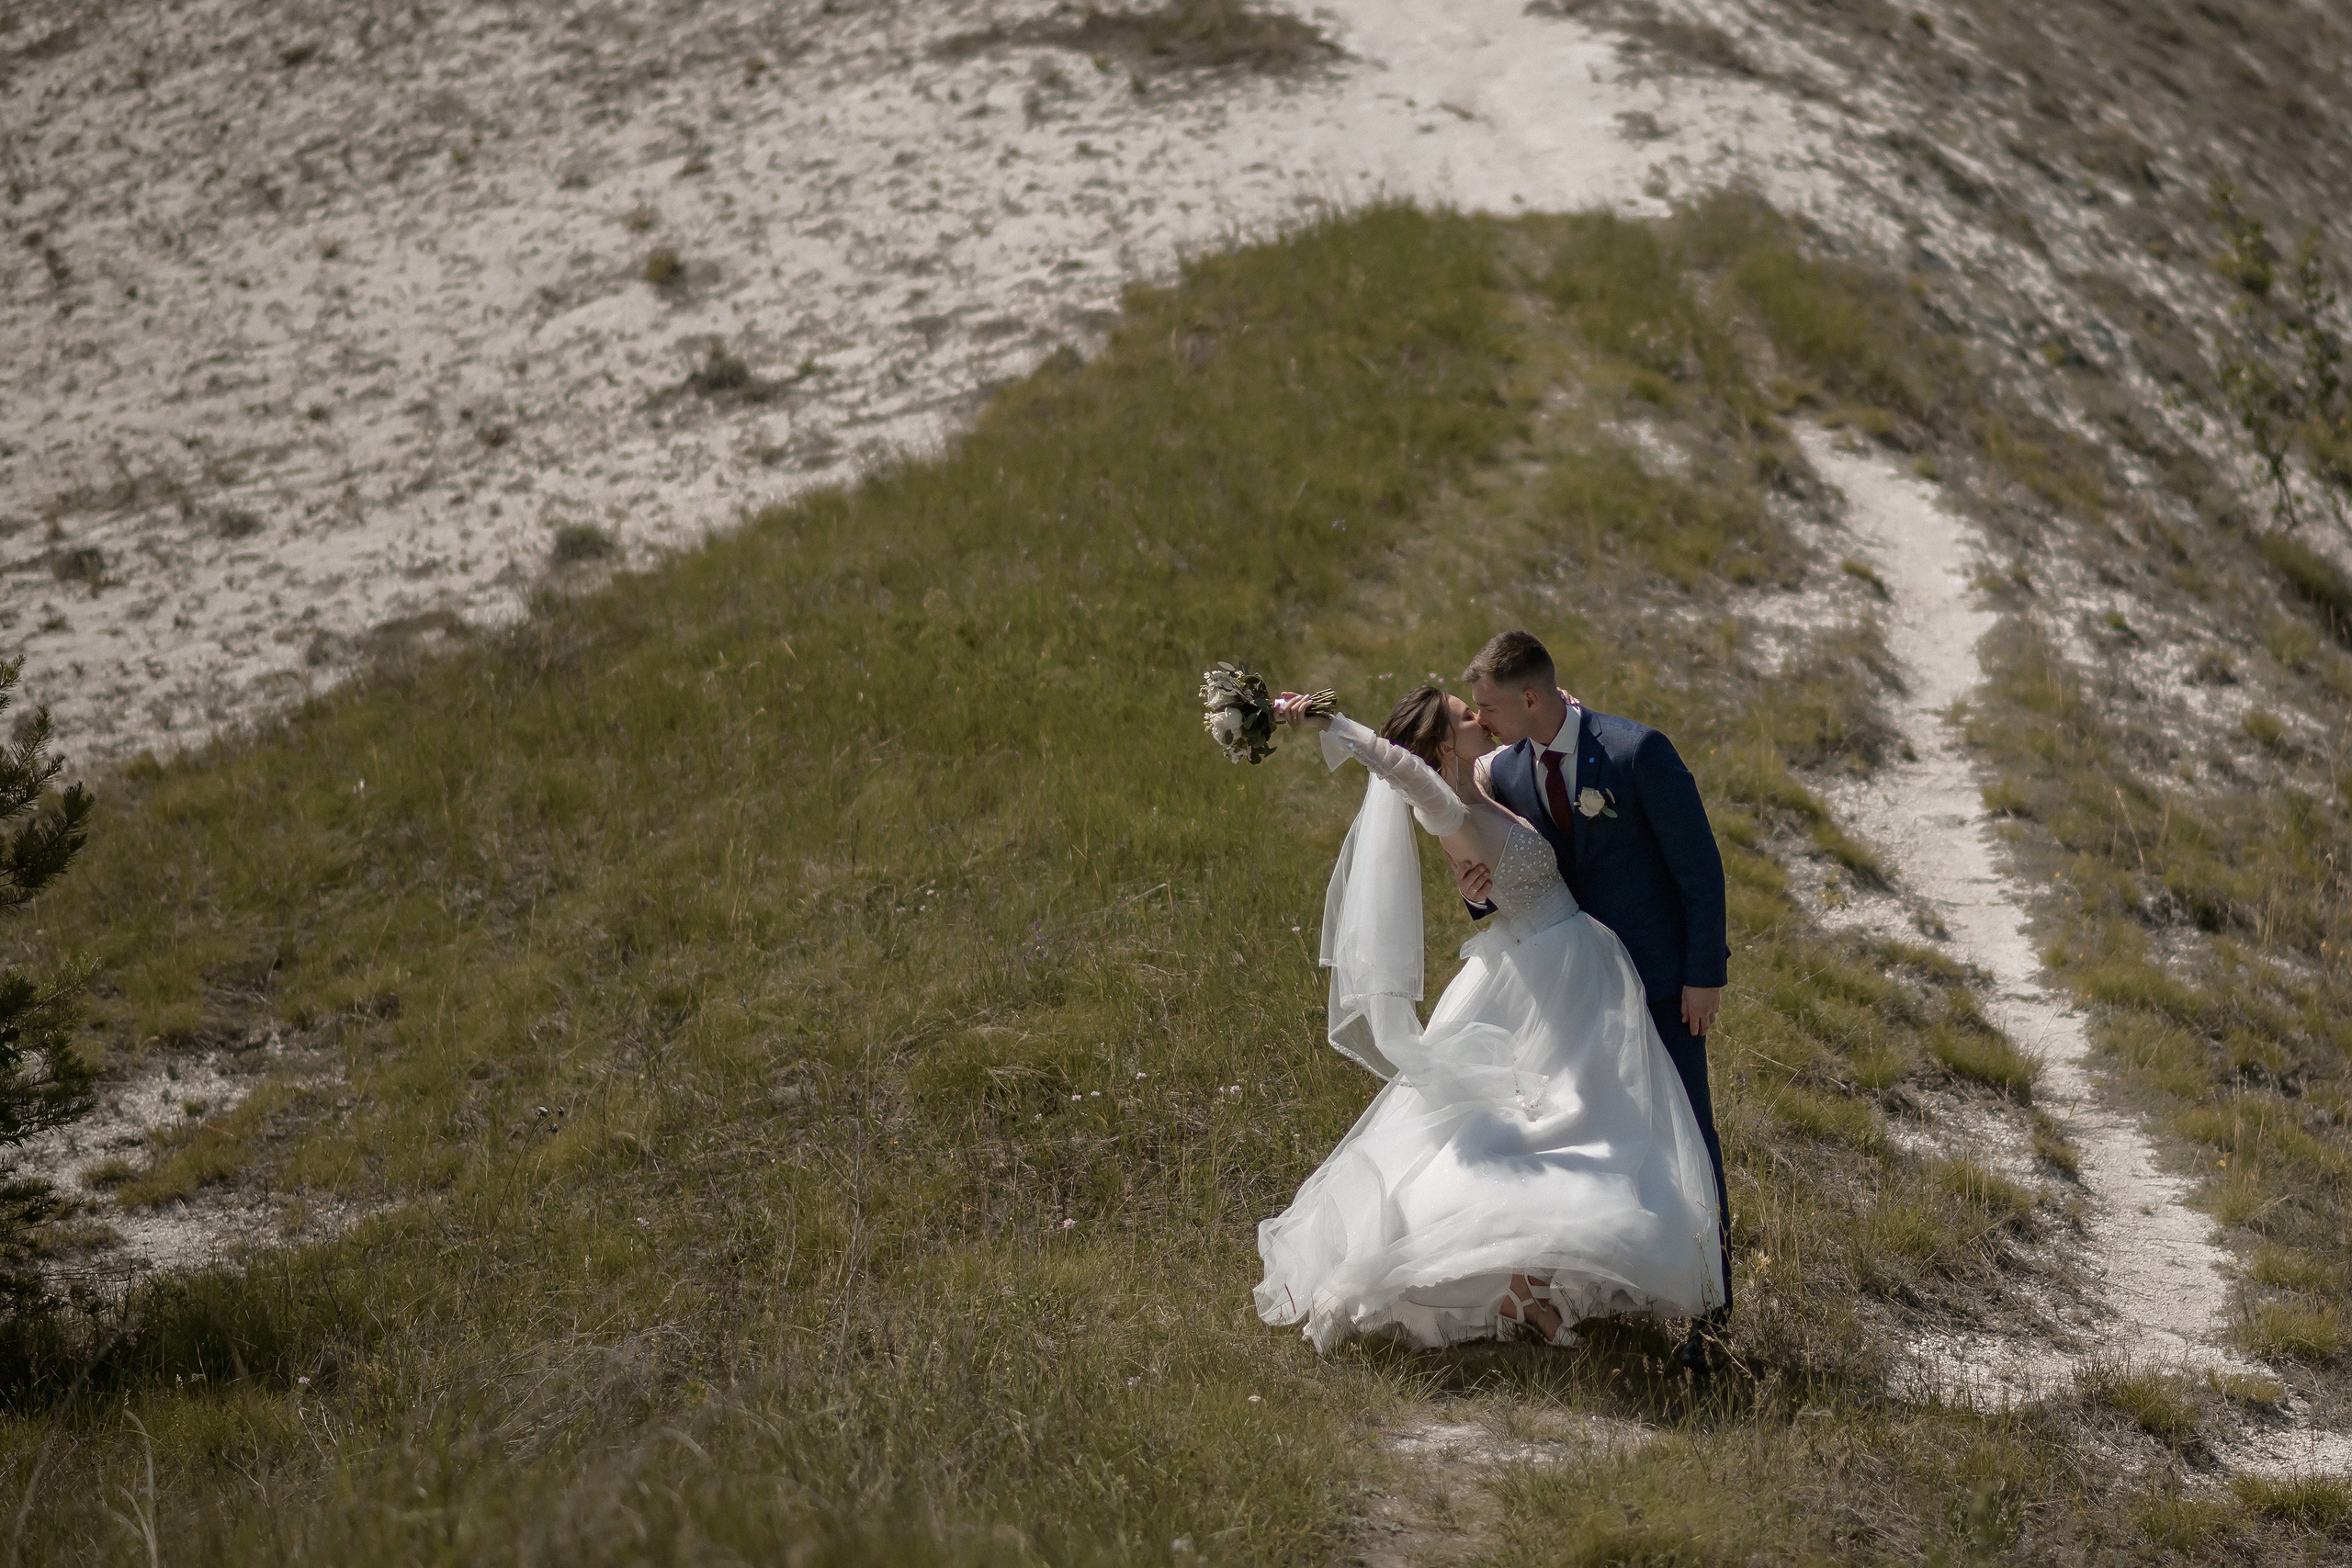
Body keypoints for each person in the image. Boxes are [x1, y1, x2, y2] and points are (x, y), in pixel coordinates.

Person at [1251, 683, 1724, 1353]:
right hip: (1552, 967)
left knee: (1570, 1123)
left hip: (1559, 960)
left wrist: (1562, 711)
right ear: (1443, 744)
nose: (1478, 718)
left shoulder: (1475, 782)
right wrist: (1332, 723)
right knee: (1561, 1129)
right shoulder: (1440, 807)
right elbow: (1403, 768)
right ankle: (1509, 1275)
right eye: (1463, 715)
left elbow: (1523, 761)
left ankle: (1526, 1287)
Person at [1461, 629, 1733, 1371]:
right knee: (1590, 1141)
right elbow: (1525, 878)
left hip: (1660, 983)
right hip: (1571, 994)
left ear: (1530, 697)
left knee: (1688, 1143)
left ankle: (1710, 1321)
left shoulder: (1635, 752)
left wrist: (1705, 973)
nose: (1480, 720)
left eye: (1488, 707)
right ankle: (1613, 1290)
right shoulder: (1506, 772)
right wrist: (1478, 897)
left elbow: (1699, 869)